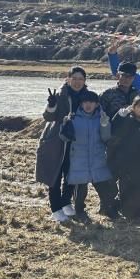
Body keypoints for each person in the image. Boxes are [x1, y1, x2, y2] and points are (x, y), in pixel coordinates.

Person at [35, 66, 88, 223]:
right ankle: (56, 208)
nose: (77, 82)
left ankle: (66, 202)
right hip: (57, 140)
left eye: (81, 79)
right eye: (74, 78)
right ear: (68, 79)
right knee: (55, 174)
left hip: (76, 140)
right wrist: (51, 105)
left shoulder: (87, 96)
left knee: (72, 173)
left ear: (85, 81)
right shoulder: (60, 95)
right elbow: (48, 117)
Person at [59, 90, 119, 222]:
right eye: (85, 102)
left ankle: (108, 209)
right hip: (78, 159)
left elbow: (106, 138)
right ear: (81, 104)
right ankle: (80, 212)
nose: (88, 105)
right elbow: (64, 138)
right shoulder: (73, 118)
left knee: (104, 189)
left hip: (97, 159)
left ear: (97, 104)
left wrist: (105, 125)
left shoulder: (101, 118)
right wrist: (65, 126)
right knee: (80, 191)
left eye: (91, 102)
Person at [107, 96, 140, 219]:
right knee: (127, 190)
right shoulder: (127, 120)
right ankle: (121, 210)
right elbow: (114, 128)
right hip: (126, 164)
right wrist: (120, 115)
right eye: (139, 106)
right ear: (133, 107)